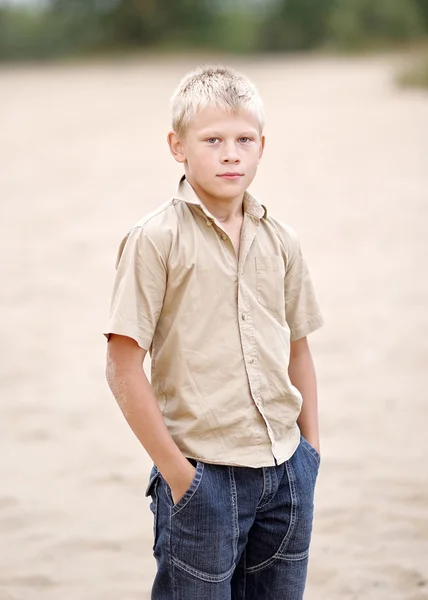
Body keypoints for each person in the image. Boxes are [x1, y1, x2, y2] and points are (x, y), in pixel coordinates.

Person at [104, 65, 323, 600]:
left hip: (286, 474)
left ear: (262, 146)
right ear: (177, 146)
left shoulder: (281, 239)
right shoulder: (154, 240)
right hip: (202, 479)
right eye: (213, 140)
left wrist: (310, 454)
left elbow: (298, 348)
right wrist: (180, 478)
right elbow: (122, 366)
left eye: (244, 139)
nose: (231, 154)